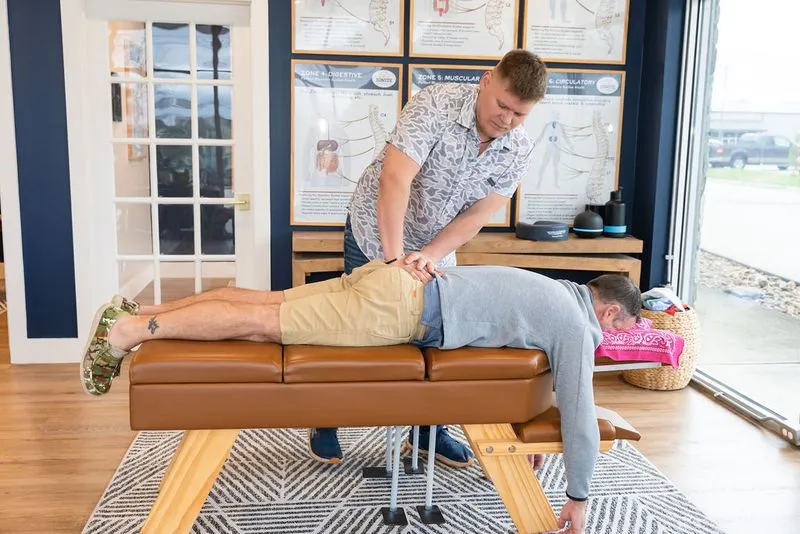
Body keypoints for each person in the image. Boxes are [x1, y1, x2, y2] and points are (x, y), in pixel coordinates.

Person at [80, 261, 641, 534]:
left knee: (265, 302)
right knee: (262, 324)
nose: (610, 339)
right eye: (617, 329)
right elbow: (580, 415)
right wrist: (579, 496)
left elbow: (553, 389)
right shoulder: (577, 323)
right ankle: (128, 334)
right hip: (398, 310)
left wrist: (539, 418)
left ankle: (136, 313)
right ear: (610, 310)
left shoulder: (554, 290)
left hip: (396, 280)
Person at [317, 48, 549, 468]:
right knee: (356, 330)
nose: (507, 120)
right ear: (486, 80)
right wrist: (394, 264)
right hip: (376, 230)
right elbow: (395, 178)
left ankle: (428, 433)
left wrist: (427, 256)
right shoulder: (436, 103)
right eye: (502, 105)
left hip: (436, 246)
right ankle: (324, 417)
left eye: (520, 114)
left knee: (440, 338)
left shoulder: (518, 147)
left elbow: (477, 214)